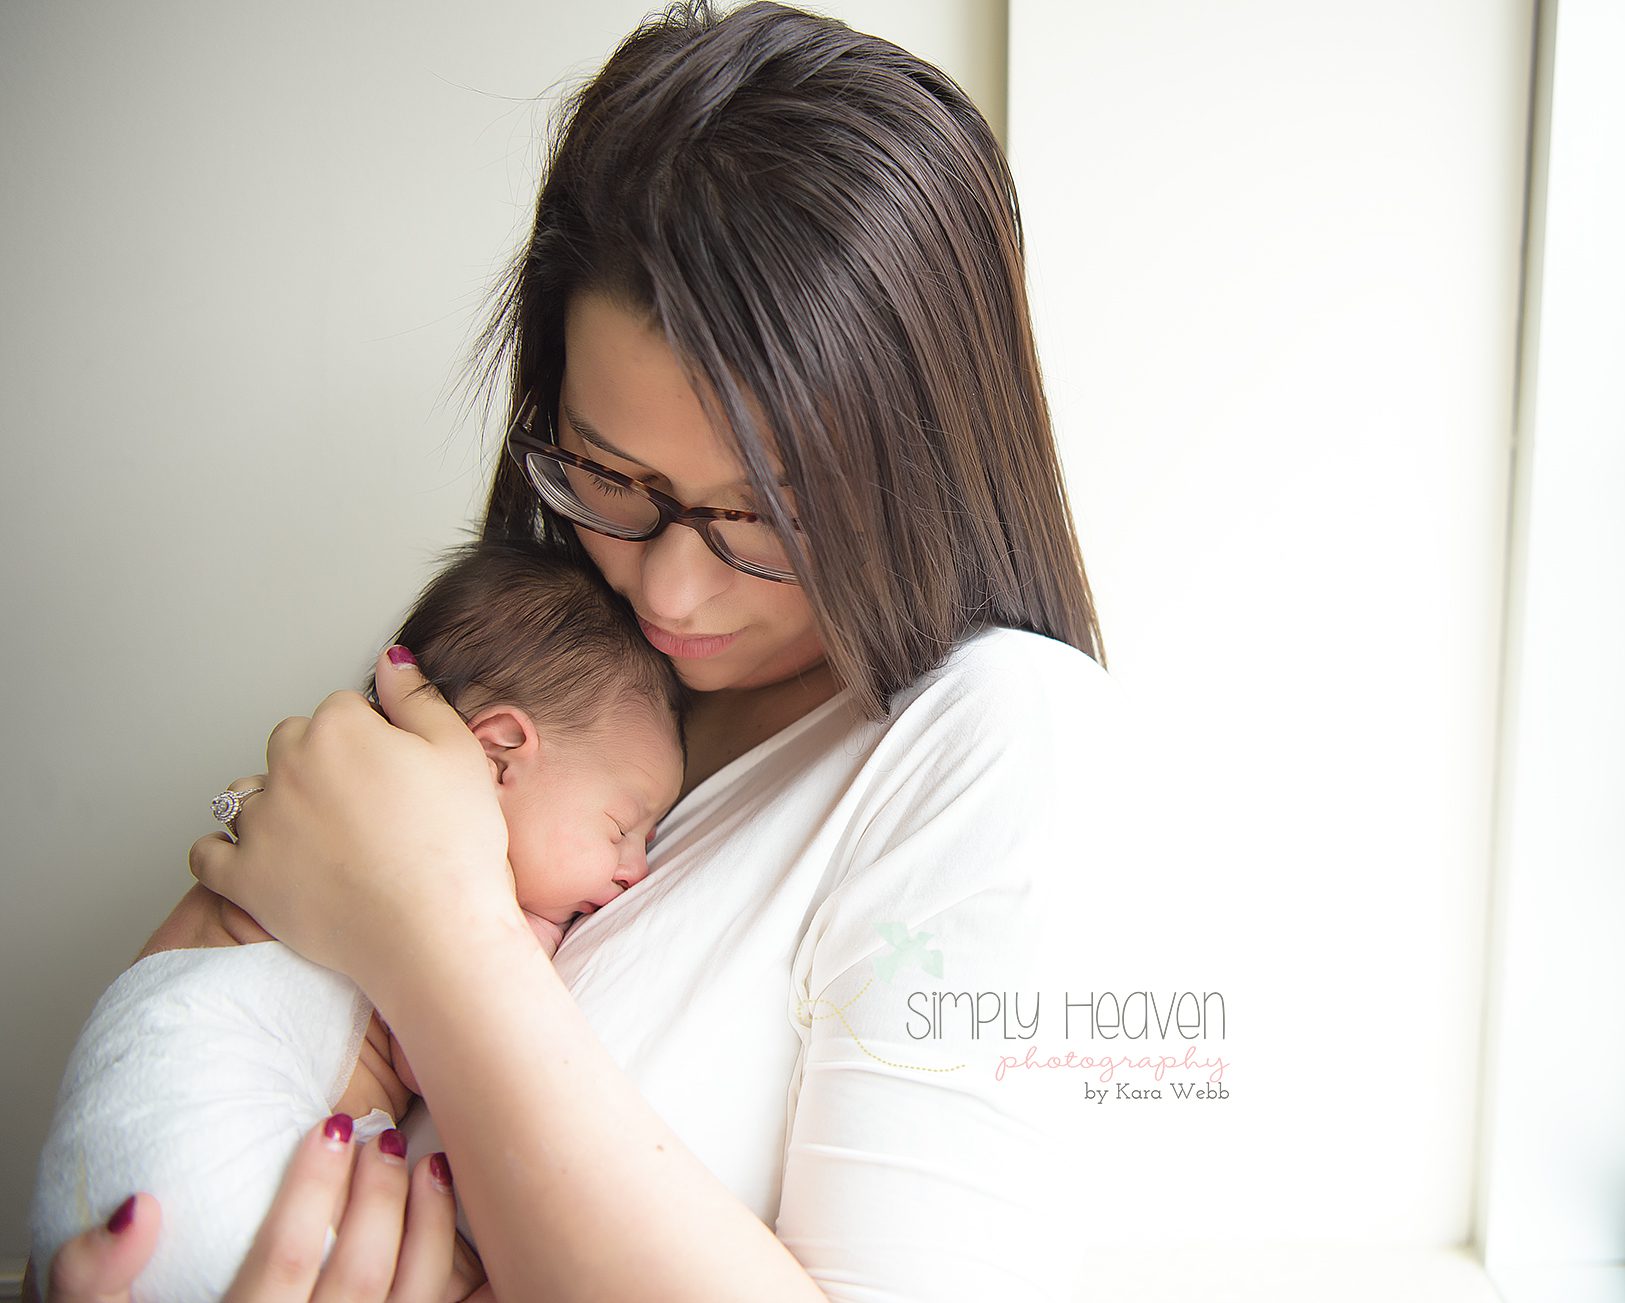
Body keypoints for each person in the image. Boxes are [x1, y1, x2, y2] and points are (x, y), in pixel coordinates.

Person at [39, 2, 1112, 1299]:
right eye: (608, 475)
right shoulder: (551, 676)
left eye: (759, 516)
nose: (667, 581)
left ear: (918, 467)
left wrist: (435, 931)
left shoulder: (995, 736)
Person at [29, 541, 685, 1301]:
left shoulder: (326, 815)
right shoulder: (425, 857)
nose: (636, 868)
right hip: (194, 1173)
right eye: (621, 826)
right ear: (500, 752)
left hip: (99, 1177)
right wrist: (533, 935)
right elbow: (436, 1041)